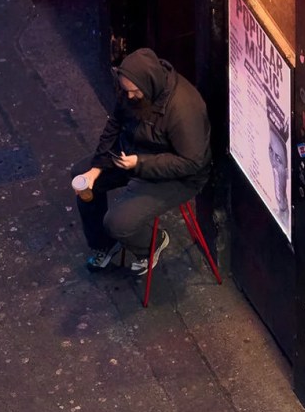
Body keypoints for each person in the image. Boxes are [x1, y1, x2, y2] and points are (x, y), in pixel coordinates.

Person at [74, 48, 212, 276]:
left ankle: (152, 243)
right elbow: (114, 125)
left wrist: (140, 163)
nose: (129, 97)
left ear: (149, 85)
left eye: (135, 92)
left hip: (177, 175)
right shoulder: (130, 88)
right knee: (81, 174)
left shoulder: (183, 109)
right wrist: (97, 167)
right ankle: (103, 244)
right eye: (126, 91)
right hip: (134, 153)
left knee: (118, 223)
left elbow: (191, 162)